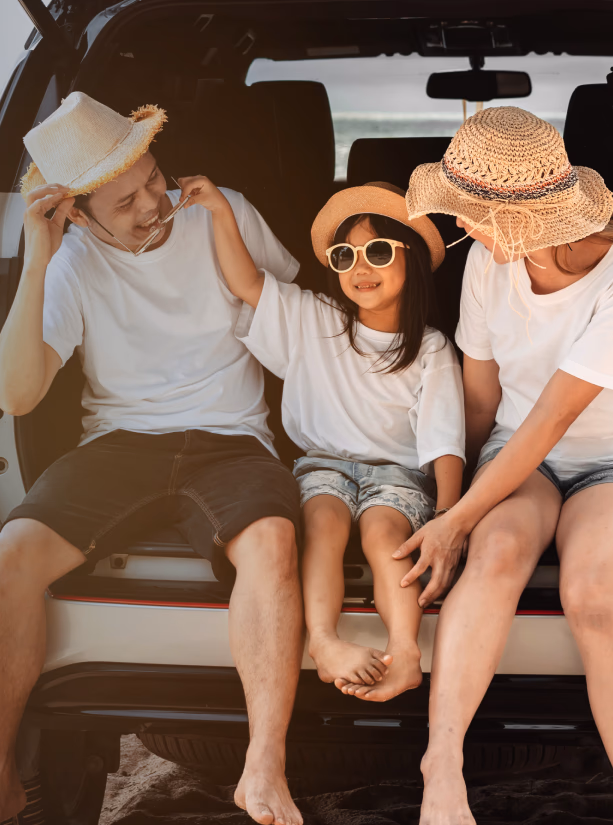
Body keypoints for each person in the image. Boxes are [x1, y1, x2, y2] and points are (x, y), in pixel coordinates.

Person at [0, 91, 306, 825]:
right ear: (77, 212)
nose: (155, 202)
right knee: (14, 550)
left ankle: (263, 767)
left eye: (155, 177)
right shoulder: (71, 260)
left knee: (274, 543)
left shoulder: (224, 209)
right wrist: (35, 263)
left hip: (231, 438)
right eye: (127, 200)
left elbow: (292, 307)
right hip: (121, 444)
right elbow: (19, 395)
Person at [397, 106, 613, 825]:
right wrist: (448, 505)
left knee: (590, 591)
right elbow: (481, 400)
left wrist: (455, 520)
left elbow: (556, 414)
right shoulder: (487, 265)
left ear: (527, 221)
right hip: (521, 457)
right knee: (495, 553)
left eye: (475, 216)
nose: (464, 230)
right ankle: (443, 766)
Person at [223, 183, 465, 703]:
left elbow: (445, 438)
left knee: (383, 535)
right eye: (344, 255)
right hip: (323, 465)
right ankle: (324, 641)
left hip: (398, 474)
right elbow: (245, 281)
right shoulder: (315, 319)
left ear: (413, 261)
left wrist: (448, 517)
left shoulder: (430, 348)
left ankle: (405, 654)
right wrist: (221, 208)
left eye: (378, 251)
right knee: (322, 522)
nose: (360, 266)